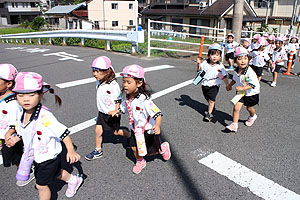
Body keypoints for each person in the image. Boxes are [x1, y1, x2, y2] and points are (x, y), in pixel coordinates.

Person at [5, 72, 83, 199]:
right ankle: (73, 180)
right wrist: (15, 138)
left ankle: (71, 180)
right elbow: (23, 130)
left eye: (31, 95)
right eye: (20, 95)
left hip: (48, 157)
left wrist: (70, 151)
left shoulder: (45, 116)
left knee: (41, 186)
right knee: (56, 173)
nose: (25, 99)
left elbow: (63, 133)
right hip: (37, 155)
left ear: (40, 95)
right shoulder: (23, 113)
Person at [109, 64, 171, 174]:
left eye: (129, 82)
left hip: (147, 130)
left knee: (152, 150)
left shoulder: (144, 100)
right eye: (124, 82)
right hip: (135, 130)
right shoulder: (128, 99)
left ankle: (163, 148)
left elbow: (157, 113)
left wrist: (157, 125)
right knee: (134, 148)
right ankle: (140, 161)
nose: (125, 85)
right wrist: (116, 111)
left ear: (139, 83)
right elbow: (123, 108)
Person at [85, 56, 127, 161]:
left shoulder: (113, 85)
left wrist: (116, 110)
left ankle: (129, 134)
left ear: (107, 72)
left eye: (97, 71)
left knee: (115, 132)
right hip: (102, 113)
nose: (95, 74)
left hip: (112, 114)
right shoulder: (98, 82)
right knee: (98, 131)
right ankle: (98, 150)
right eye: (94, 71)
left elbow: (118, 99)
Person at [0, 64, 34, 187]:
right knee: (13, 156)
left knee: (17, 156)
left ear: (8, 84)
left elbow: (18, 121)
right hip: (3, 135)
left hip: (12, 137)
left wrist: (10, 134)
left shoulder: (12, 102)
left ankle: (28, 171)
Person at [226, 47, 260, 132]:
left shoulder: (250, 72)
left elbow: (253, 84)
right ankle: (234, 124)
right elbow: (234, 79)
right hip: (241, 93)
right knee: (236, 107)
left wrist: (243, 87)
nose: (243, 61)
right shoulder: (236, 70)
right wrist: (230, 85)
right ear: (235, 61)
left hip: (251, 93)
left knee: (249, 108)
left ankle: (253, 116)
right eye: (240, 59)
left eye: (245, 58)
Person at [196, 43, 229, 122]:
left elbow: (222, 76)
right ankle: (212, 107)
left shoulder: (220, 66)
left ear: (220, 57)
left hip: (215, 84)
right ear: (208, 55)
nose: (215, 57)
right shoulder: (205, 64)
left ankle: (209, 114)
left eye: (217, 55)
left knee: (212, 99)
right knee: (207, 98)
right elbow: (199, 71)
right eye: (213, 54)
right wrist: (198, 64)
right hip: (205, 84)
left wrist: (227, 84)